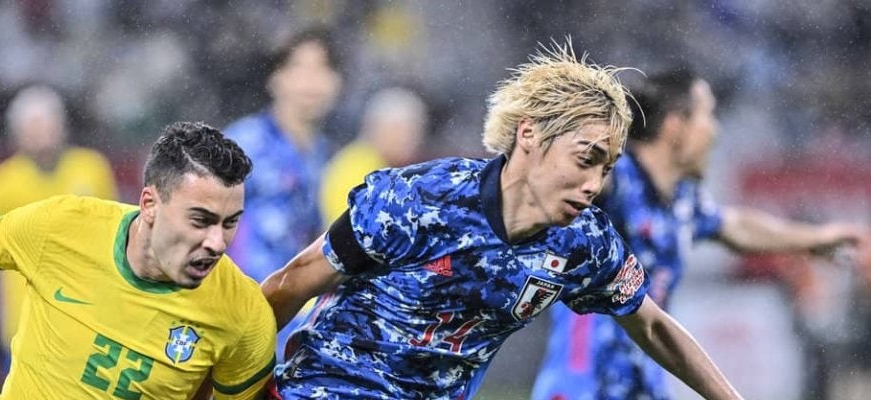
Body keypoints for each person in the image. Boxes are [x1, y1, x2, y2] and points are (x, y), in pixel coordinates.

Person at [261, 43, 743, 399]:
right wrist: (238, 382)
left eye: (606, 168)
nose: (594, 184)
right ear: (529, 134)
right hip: (326, 388)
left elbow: (653, 326)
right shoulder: (418, 199)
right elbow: (290, 283)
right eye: (585, 159)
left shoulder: (583, 243)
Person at [531, 68, 871, 400]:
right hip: (585, 382)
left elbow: (735, 227)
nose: (714, 130)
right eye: (707, 115)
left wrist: (814, 239)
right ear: (676, 127)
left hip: (644, 380)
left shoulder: (682, 200)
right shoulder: (616, 179)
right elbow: (565, 180)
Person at [0, 122, 275, 399]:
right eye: (200, 220)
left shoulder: (243, 315)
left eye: (230, 223)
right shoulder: (60, 227)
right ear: (149, 204)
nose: (217, 242)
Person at [0, 85, 118, 375]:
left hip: (87, 322)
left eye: (47, 123)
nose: (42, 133)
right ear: (16, 134)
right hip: (25, 328)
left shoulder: (92, 169)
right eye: (33, 126)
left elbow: (116, 236)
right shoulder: (1, 184)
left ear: (62, 126)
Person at [222, 26, 342, 357]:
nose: (310, 82)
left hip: (295, 322)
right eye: (298, 67)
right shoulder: (244, 142)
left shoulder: (324, 155)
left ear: (337, 82)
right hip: (242, 317)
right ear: (275, 78)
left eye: (321, 68)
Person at [319, 86, 428, 225]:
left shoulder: (395, 168)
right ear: (373, 127)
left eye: (413, 130)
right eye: (397, 129)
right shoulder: (354, 170)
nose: (406, 138)